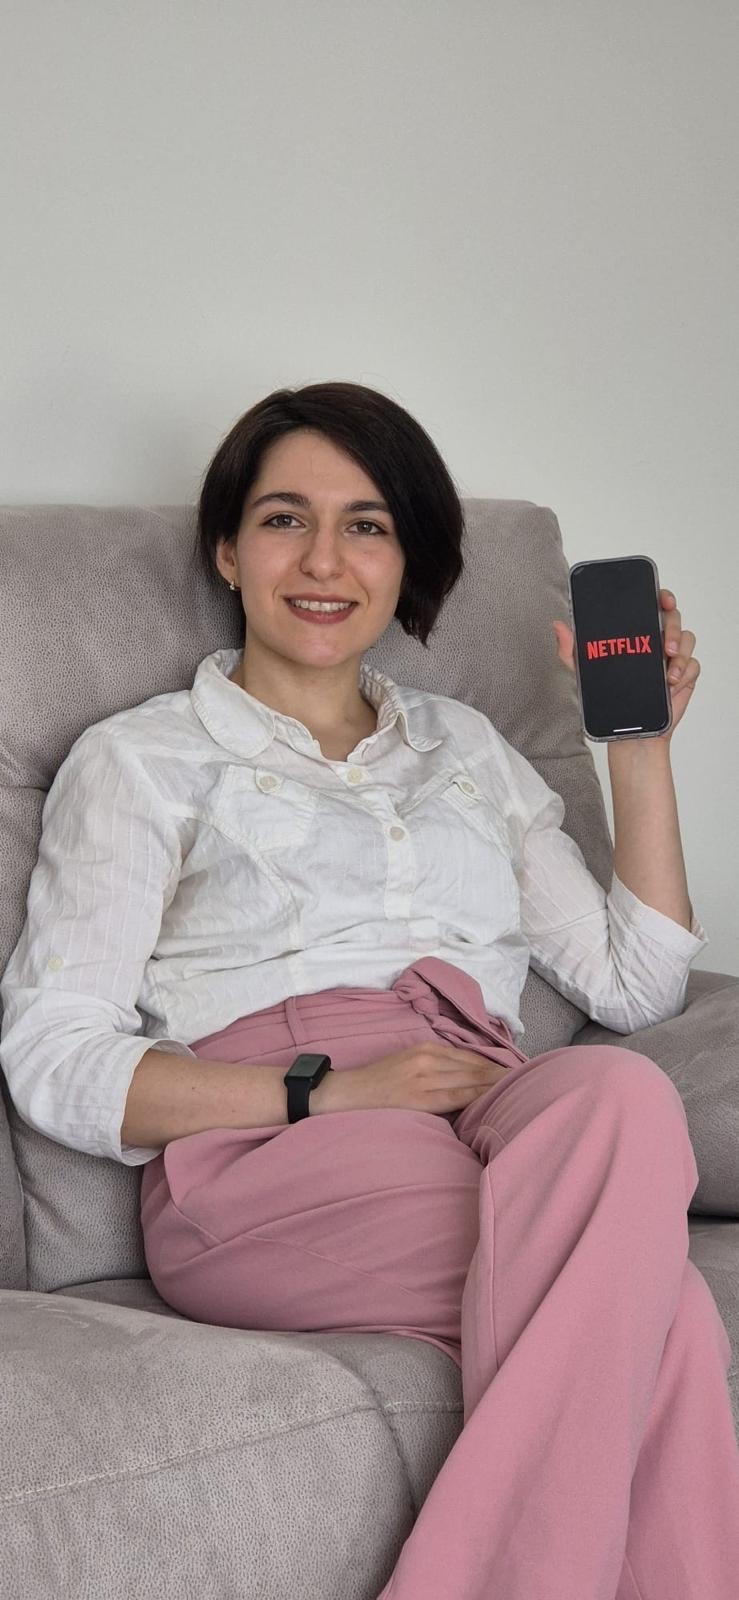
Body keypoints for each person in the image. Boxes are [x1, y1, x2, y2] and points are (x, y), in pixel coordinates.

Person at [2, 381, 738, 1597]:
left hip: (487, 1093)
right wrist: (324, 1091)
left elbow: (634, 980)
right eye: (286, 519)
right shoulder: (144, 760)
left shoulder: (467, 749)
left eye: (369, 524)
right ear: (228, 551)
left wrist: (642, 747)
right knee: (655, 1310)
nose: (326, 560)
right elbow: (56, 1056)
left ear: (409, 561)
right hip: (279, 1133)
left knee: (616, 1094)